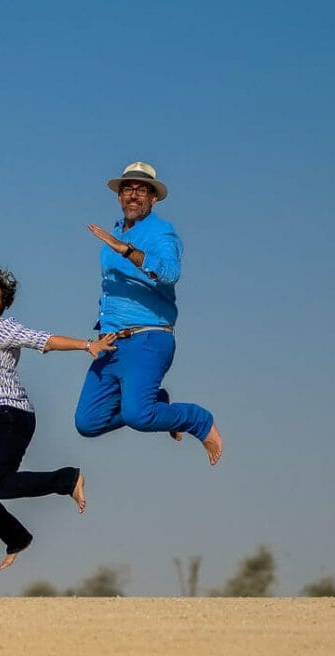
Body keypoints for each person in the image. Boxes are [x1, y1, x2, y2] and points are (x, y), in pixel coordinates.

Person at [0, 262, 116, 570]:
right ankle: (16, 537)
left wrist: (87, 345)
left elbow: (44, 340)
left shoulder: (1, 328)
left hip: (9, 415)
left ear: (1, 306)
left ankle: (68, 479)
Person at [75, 161, 223, 465]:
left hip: (148, 337)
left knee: (137, 415)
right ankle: (156, 402)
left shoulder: (161, 233)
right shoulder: (112, 232)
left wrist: (127, 250)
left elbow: (170, 272)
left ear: (153, 198)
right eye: (127, 189)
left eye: (141, 190)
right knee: (88, 422)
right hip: (111, 342)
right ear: (119, 196)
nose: (133, 195)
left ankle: (196, 419)